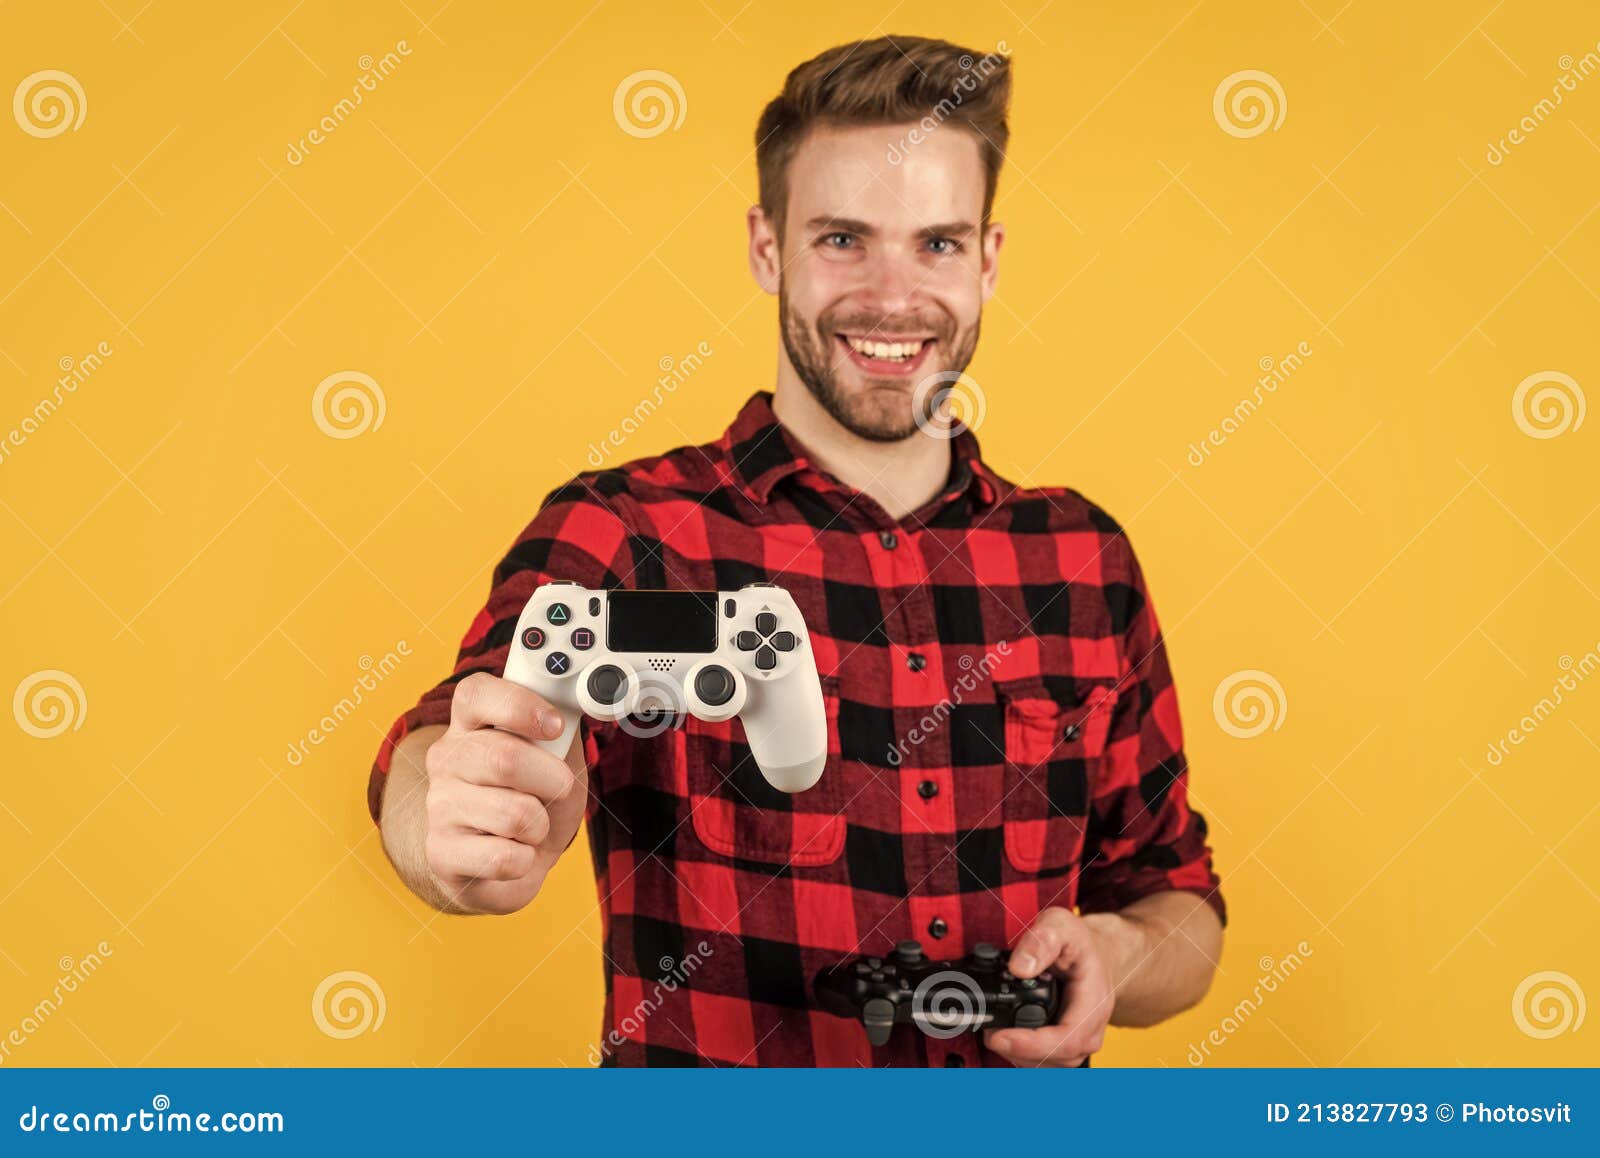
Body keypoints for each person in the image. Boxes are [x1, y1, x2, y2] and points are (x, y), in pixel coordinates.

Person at [369, 34, 1224, 1067]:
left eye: (937, 245)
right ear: (768, 246)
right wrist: (449, 820)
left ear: (988, 260)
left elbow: (1180, 902)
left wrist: (1113, 954)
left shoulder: (1083, 562)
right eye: (842, 240)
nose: (894, 297)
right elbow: (440, 745)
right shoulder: (631, 530)